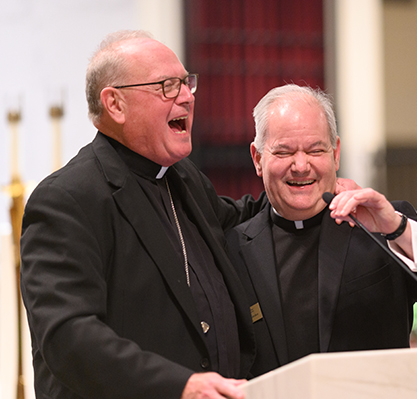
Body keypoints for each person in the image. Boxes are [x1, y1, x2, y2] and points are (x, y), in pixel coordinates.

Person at [19, 30, 270, 399]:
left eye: (186, 83)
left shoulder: (183, 178)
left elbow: (241, 220)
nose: (186, 96)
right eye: (167, 86)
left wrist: (317, 190)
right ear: (115, 104)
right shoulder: (67, 199)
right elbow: (68, 336)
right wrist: (180, 385)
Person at [225, 84, 417, 377]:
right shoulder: (233, 249)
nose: (301, 165)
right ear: (257, 159)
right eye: (284, 152)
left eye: (315, 149)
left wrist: (396, 228)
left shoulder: (381, 226)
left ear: (336, 153)